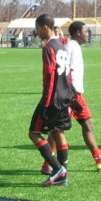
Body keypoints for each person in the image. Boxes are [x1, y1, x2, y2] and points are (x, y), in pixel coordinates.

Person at [41, 21, 101, 173]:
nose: (88, 34)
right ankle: (47, 164)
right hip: (71, 94)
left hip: (75, 94)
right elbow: (63, 70)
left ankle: (99, 159)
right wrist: (68, 93)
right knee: (58, 129)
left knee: (85, 124)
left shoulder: (74, 46)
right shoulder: (71, 47)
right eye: (86, 31)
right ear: (77, 32)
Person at [28, 14, 71, 186]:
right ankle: (63, 177)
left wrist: (46, 101)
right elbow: (66, 74)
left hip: (51, 98)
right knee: (58, 131)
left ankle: (58, 169)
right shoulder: (61, 44)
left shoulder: (48, 47)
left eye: (38, 28)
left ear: (45, 26)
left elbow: (51, 75)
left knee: (34, 133)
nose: (37, 32)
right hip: (64, 96)